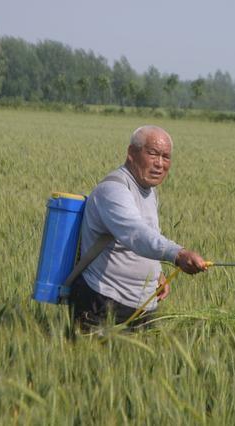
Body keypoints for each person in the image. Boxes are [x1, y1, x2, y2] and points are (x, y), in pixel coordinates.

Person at [69, 125, 207, 330]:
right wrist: (177, 254)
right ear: (131, 153)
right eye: (152, 153)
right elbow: (135, 233)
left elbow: (150, 231)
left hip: (143, 305)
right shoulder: (113, 189)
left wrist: (156, 273)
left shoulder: (149, 191)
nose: (160, 164)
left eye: (166, 157)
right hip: (104, 304)